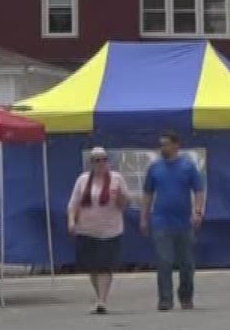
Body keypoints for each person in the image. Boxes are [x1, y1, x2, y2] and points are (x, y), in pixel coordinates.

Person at [141, 131, 206, 311]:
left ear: (176, 145)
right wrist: (144, 218)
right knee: (164, 261)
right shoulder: (155, 168)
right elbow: (147, 194)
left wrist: (198, 212)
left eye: (166, 144)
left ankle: (185, 296)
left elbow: (199, 190)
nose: (163, 147)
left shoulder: (187, 166)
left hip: (184, 222)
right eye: (161, 144)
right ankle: (165, 299)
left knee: (186, 263)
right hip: (161, 221)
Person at [67, 147, 128, 314]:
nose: (101, 163)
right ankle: (99, 296)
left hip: (110, 230)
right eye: (97, 160)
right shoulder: (83, 180)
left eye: (103, 160)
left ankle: (102, 300)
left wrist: (121, 197)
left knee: (105, 266)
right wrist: (72, 221)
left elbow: (125, 205)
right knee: (93, 267)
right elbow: (73, 204)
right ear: (91, 163)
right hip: (87, 229)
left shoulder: (116, 179)